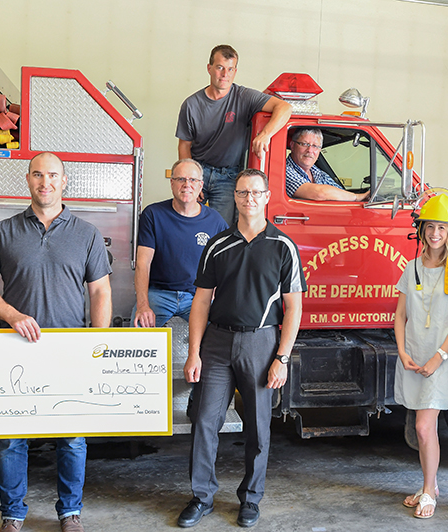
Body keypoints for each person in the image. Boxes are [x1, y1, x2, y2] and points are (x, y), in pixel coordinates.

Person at [0, 152, 112, 532]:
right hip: (13, 351)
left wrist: (96, 347)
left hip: (68, 352)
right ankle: (13, 515)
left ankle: (70, 513)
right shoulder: (3, 232)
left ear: (65, 181)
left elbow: (100, 292)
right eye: (37, 175)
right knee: (11, 441)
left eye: (52, 175)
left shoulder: (87, 234)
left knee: (72, 439)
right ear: (27, 180)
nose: (44, 182)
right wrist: (12, 315)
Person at [177, 168, 306, 528]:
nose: (249, 199)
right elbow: (201, 303)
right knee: (204, 421)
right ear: (234, 197)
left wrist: (281, 357)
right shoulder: (217, 245)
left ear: (266, 197)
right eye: (242, 193)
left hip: (261, 343)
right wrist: (194, 352)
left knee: (258, 427)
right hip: (217, 344)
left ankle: (250, 499)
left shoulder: (283, 247)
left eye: (256, 193)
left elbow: (294, 308)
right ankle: (201, 497)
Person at [394, 194, 448, 519]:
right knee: (420, 426)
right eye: (430, 227)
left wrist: (438, 357)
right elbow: (400, 315)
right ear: (421, 230)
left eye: (442, 227)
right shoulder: (411, 267)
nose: (435, 234)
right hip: (413, 357)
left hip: (440, 359)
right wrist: (401, 351)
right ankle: (431, 483)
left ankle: (429, 491)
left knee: (425, 428)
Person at [176, 44, 292, 225]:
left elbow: (285, 108)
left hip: (228, 176)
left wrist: (265, 134)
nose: (225, 74)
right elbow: (184, 145)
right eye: (220, 67)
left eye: (230, 69)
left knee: (221, 228)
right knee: (186, 221)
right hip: (199, 171)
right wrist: (191, 180)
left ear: (235, 71)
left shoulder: (244, 97)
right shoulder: (191, 104)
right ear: (209, 68)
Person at [131, 159, 228, 328]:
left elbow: (224, 264)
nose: (186, 184)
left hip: (197, 296)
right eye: (181, 179)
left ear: (200, 186)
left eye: (192, 180)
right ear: (172, 183)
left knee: (220, 331)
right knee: (139, 332)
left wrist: (214, 293)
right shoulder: (153, 215)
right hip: (158, 294)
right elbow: (142, 263)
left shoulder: (215, 221)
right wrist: (143, 305)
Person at [286, 128, 370, 201]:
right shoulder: (284, 170)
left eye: (315, 146)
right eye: (305, 144)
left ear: (319, 150)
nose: (310, 150)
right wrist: (356, 197)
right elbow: (319, 193)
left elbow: (338, 191)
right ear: (292, 145)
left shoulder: (318, 173)